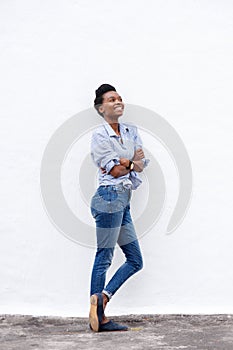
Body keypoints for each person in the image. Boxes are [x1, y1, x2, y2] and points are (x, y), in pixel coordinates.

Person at [89, 84, 149, 332]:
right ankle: (99, 318)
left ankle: (101, 298)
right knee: (104, 257)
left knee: (135, 260)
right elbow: (114, 170)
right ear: (101, 108)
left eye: (120, 98)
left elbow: (142, 162)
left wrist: (129, 162)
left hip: (123, 200)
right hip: (109, 198)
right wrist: (128, 161)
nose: (118, 101)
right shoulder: (100, 136)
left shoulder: (130, 130)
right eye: (112, 99)